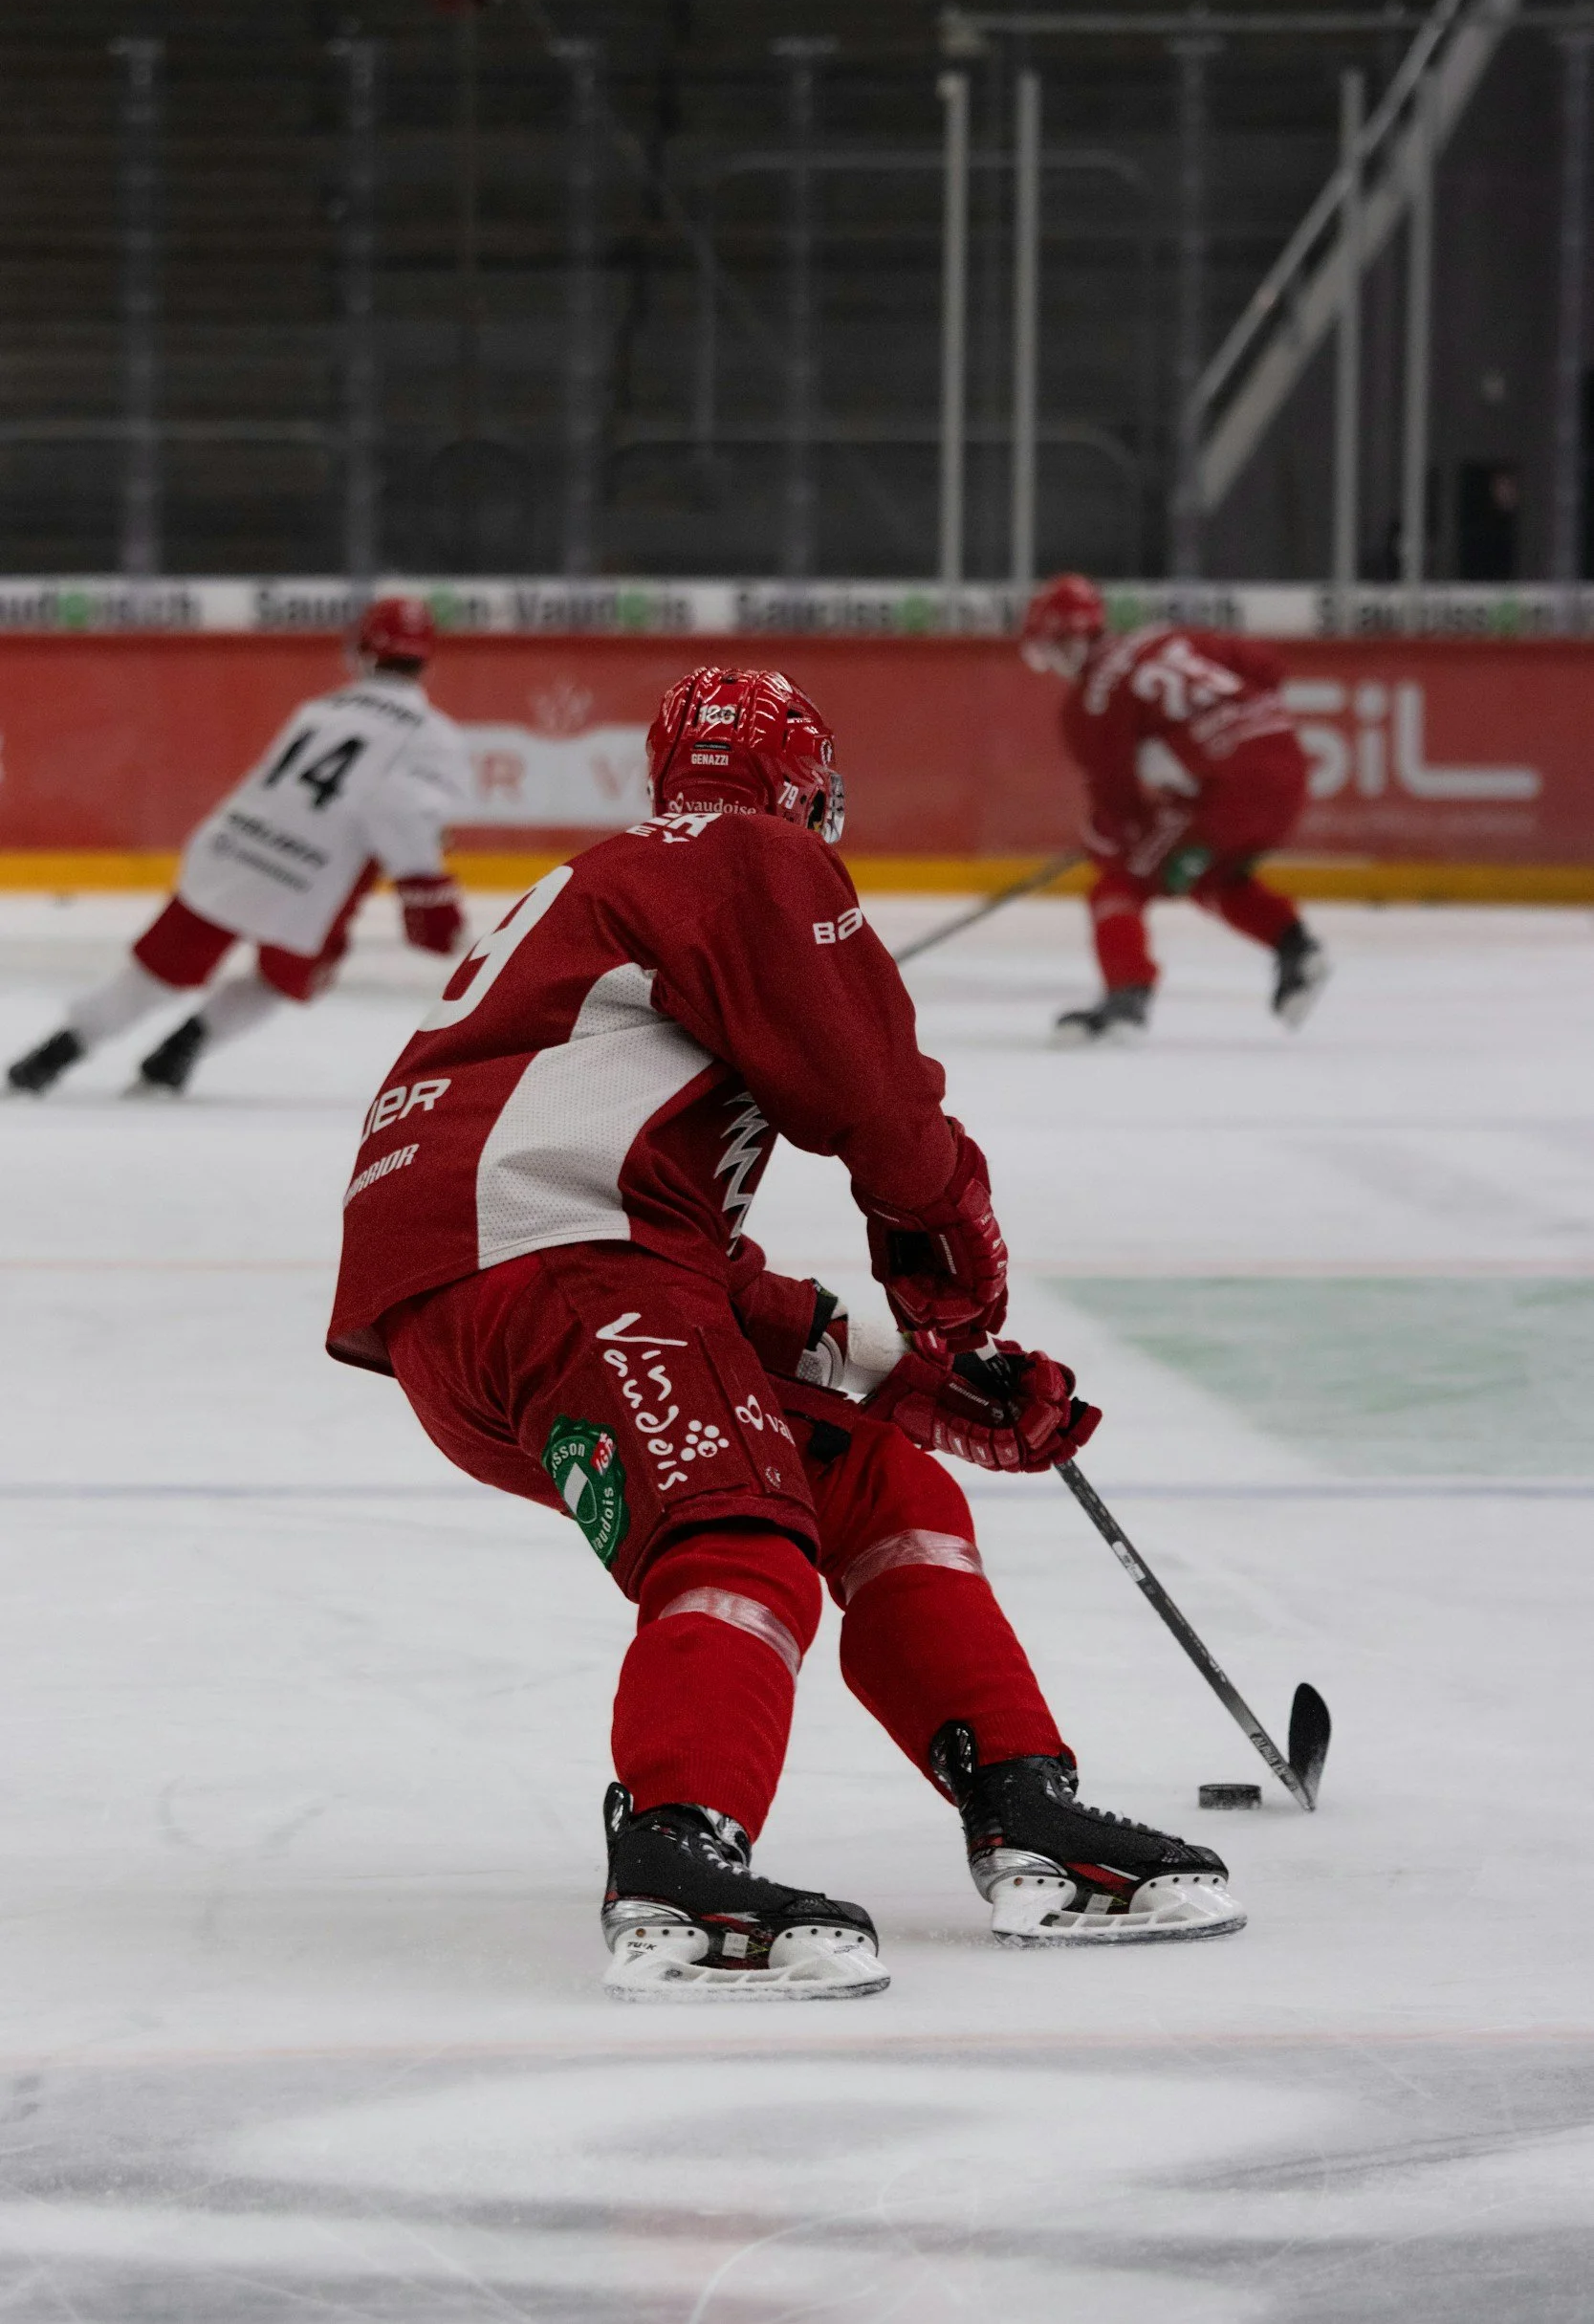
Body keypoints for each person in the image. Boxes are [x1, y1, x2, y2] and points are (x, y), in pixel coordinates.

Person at [327, 663, 1245, 2002]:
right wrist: (950, 1263)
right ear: (805, 784)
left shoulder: (619, 894)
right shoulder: (747, 855)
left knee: (873, 1478)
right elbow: (874, 1099)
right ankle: (674, 1859)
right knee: (736, 1527)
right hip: (554, 1272)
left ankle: (1022, 1803)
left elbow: (693, 1277)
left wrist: (910, 1380)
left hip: (490, 1307)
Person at [6, 597, 469, 1100]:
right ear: (427, 658)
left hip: (232, 852)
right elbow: (399, 809)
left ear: (360, 649)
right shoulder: (432, 735)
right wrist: (425, 886)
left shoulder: (322, 708)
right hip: (309, 883)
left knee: (159, 972)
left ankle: (49, 1057)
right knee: (289, 979)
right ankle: (178, 1053)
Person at [1020, 574, 1331, 1045]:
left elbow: (1121, 807)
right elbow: (1268, 668)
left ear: (1068, 640)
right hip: (1288, 766)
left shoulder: (1088, 705)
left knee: (1119, 884)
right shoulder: (1167, 636)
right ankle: (1297, 950)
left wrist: (1102, 839)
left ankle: (1127, 1001)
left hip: (1230, 794)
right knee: (1204, 874)